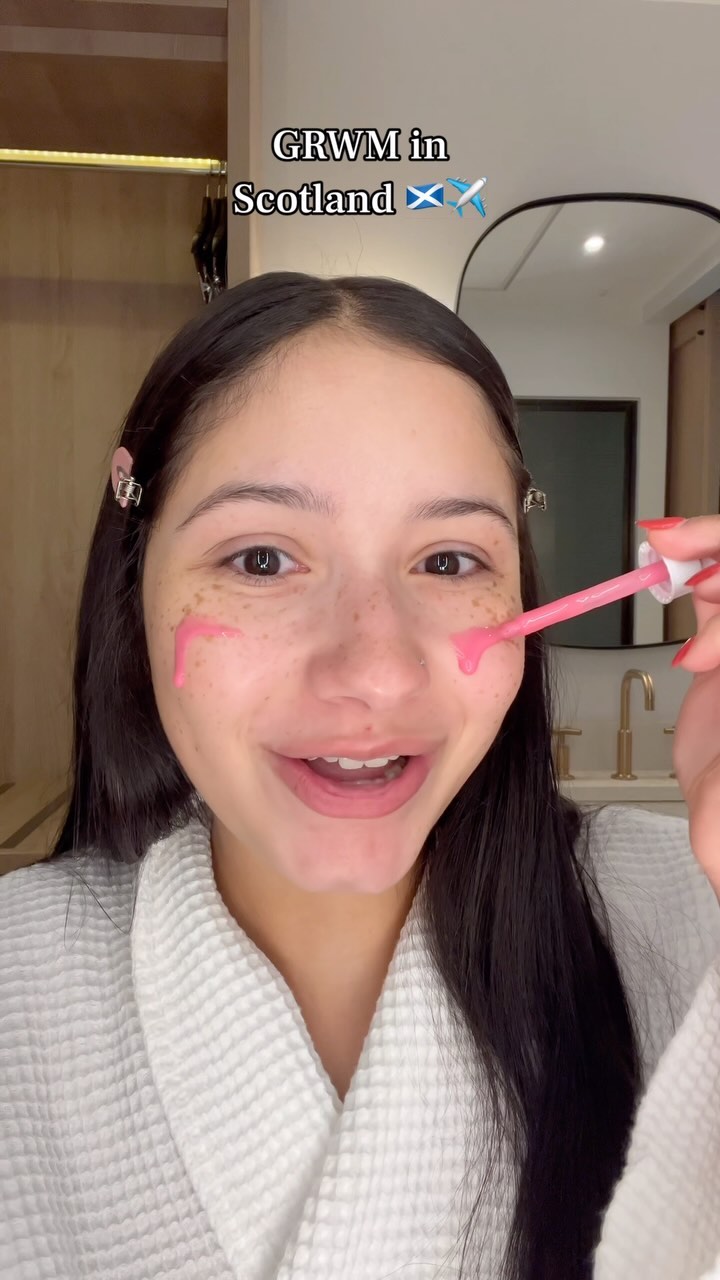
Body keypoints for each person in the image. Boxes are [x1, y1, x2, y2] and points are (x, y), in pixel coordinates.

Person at [1, 273, 719, 1280]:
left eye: (449, 562)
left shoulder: (687, 915)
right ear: (135, 586)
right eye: (261, 559)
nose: (377, 670)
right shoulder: (21, 980)